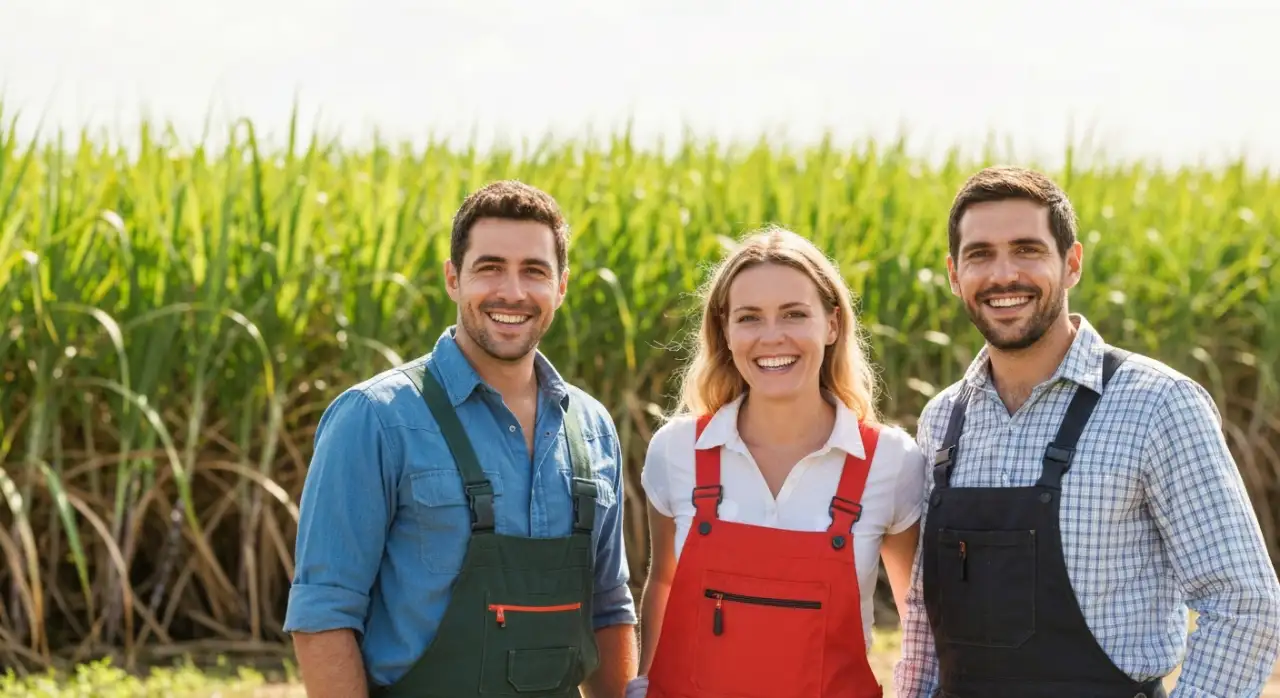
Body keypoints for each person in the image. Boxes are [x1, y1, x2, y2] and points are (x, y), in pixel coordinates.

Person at [894, 166, 1280, 698]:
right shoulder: (943, 420)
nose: (1004, 274)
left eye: (1027, 249)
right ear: (955, 275)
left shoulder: (1158, 404)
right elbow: (921, 617)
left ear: (1071, 263)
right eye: (980, 254)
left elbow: (1244, 601)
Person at [283, 180, 639, 698]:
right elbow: (323, 614)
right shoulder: (374, 419)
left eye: (534, 271)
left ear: (561, 287)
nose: (512, 292)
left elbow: (608, 607)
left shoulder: (592, 427)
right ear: (453, 279)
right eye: (489, 267)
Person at [626, 226, 926, 698]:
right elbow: (663, 583)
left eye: (793, 314)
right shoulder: (677, 453)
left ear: (831, 324)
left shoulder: (890, 462)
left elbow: (918, 619)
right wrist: (644, 685)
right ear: (724, 331)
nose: (772, 337)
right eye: (749, 318)